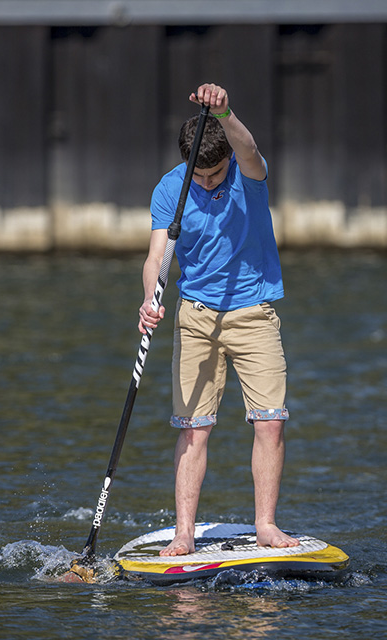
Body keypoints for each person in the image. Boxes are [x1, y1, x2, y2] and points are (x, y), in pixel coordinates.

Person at [139, 83, 300, 557]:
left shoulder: (247, 173)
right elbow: (156, 257)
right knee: (194, 427)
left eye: (215, 173)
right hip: (196, 316)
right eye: (201, 176)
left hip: (254, 312)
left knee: (269, 421)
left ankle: (266, 525)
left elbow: (248, 148)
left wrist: (226, 110)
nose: (208, 183)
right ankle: (184, 532)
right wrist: (149, 299)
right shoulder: (171, 187)